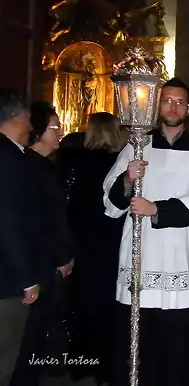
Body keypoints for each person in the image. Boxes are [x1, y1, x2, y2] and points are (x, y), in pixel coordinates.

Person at [103, 78, 189, 386]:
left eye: (179, 102)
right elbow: (110, 201)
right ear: (157, 106)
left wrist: (156, 209)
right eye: (167, 100)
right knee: (136, 344)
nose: (173, 106)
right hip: (141, 255)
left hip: (179, 255)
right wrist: (128, 180)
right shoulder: (135, 147)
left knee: (176, 346)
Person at [11, 102, 74, 386]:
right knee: (25, 345)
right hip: (35, 267)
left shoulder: (44, 166)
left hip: (45, 265)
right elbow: (36, 222)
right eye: (54, 127)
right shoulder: (27, 167)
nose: (60, 131)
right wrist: (60, 257)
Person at [62, 112, 126, 384]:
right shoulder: (117, 164)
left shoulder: (74, 163)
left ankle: (81, 361)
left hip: (83, 243)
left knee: (83, 303)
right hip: (111, 242)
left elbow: (67, 206)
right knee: (109, 306)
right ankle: (106, 366)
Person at [0, 89, 42, 386]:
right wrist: (26, 278)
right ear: (16, 117)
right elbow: (8, 222)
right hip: (6, 280)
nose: (30, 126)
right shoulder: (9, 158)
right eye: (28, 118)